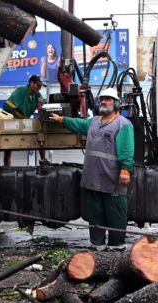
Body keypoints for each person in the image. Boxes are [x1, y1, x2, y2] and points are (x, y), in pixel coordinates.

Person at [49, 88, 134, 251]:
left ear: (116, 103)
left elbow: (126, 150)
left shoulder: (123, 124)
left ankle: (117, 245)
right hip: (93, 179)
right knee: (95, 214)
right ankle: (97, 245)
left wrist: (125, 169)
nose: (104, 102)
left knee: (116, 213)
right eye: (102, 99)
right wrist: (61, 120)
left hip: (112, 179)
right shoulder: (93, 122)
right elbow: (78, 123)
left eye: (109, 99)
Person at [3, 75, 45, 166]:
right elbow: (9, 105)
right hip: (13, 120)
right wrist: (22, 118)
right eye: (38, 85)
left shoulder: (38, 95)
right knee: (8, 145)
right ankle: (7, 166)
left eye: (41, 86)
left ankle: (43, 160)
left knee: (40, 136)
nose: (39, 88)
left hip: (25, 121)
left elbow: (41, 107)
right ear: (31, 83)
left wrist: (41, 109)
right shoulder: (21, 91)